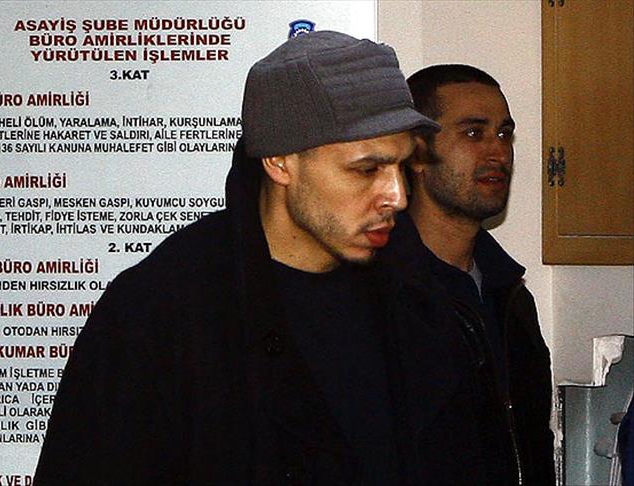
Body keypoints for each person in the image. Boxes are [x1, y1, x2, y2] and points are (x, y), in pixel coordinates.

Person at [33, 31, 438, 485]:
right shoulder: (161, 312)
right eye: (366, 169)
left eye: (402, 166)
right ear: (280, 162)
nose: (397, 196)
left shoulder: (422, 298)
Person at [379, 64, 555, 484]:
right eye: (474, 133)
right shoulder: (376, 295)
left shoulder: (509, 297)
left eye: (504, 134)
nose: (498, 152)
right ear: (417, 153)